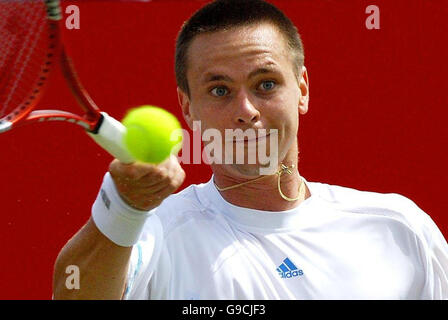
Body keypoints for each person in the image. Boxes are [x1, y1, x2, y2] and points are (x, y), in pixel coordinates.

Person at [53, 0, 448, 299]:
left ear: (303, 89)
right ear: (188, 106)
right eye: (220, 90)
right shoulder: (154, 233)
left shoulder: (399, 228)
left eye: (266, 84)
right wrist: (124, 206)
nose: (246, 111)